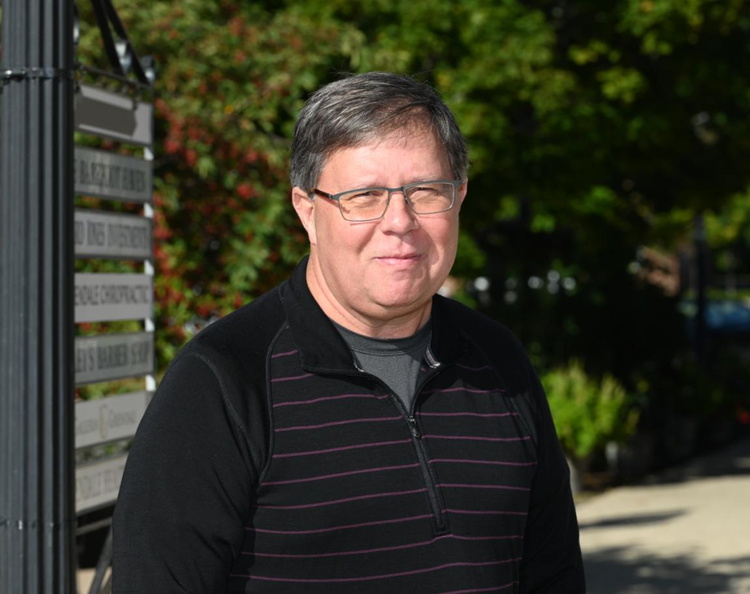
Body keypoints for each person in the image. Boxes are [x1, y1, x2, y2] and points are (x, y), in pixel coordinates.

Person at [113, 71, 585, 593]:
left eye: (425, 191)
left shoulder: (498, 362)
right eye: (363, 196)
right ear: (307, 211)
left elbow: (555, 576)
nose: (399, 222)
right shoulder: (222, 381)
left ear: (460, 197)